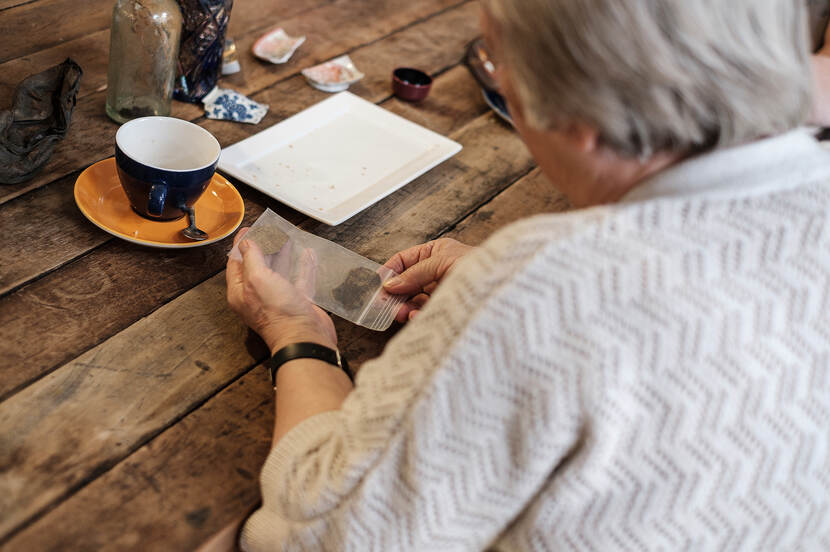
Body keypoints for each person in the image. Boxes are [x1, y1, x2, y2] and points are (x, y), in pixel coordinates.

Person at [226, 1, 830, 549]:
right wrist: (504, 292)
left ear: (584, 107)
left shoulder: (548, 289)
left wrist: (297, 332)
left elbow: (323, 535)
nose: (500, 82)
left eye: (497, 62)